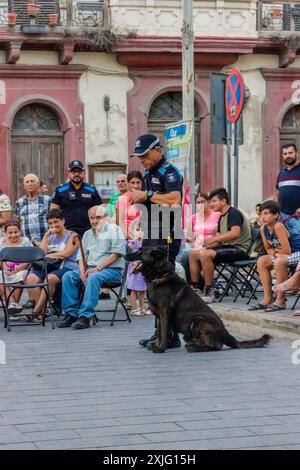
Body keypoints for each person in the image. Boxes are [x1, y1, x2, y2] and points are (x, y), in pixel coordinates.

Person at [129, 134, 183, 348]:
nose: (141, 160)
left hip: (168, 232)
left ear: (158, 150)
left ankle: (170, 335)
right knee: (153, 283)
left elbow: (175, 199)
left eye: (145, 155)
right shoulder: (148, 172)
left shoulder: (170, 171)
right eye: (138, 156)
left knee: (165, 286)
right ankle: (160, 331)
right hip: (152, 231)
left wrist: (147, 196)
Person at [58, 205, 126, 330]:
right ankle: (71, 314)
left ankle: (85, 316)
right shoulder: (87, 234)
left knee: (93, 277)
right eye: (92, 218)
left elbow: (117, 254)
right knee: (68, 276)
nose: (95, 221)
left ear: (105, 217)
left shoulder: (115, 230)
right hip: (90, 268)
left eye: (98, 218)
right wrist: (82, 272)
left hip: (111, 270)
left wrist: (98, 268)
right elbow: (81, 257)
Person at [189, 187, 251, 303]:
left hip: (240, 249)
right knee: (193, 254)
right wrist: (208, 244)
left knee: (205, 255)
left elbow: (235, 233)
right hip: (228, 247)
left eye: (214, 201)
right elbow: (220, 238)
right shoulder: (221, 216)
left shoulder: (233, 213)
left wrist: (213, 240)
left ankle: (209, 290)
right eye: (210, 201)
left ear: (223, 201)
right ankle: (196, 288)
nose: (211, 204)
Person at [24, 209, 79, 322]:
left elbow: (66, 254)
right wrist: (45, 236)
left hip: (67, 266)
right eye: (50, 223)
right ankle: (44, 312)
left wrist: (50, 255)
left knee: (50, 278)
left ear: (63, 221)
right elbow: (42, 254)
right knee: (30, 278)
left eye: (56, 222)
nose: (53, 225)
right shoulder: (51, 236)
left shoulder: (73, 236)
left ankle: (37, 311)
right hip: (50, 266)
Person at [249, 201, 292, 312]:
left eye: (266, 213)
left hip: (296, 252)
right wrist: (275, 253)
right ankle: (268, 298)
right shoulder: (263, 229)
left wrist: (276, 253)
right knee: (261, 261)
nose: (263, 217)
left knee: (279, 262)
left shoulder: (278, 226)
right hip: (280, 254)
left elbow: (287, 250)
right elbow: (268, 248)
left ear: (275, 215)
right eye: (261, 214)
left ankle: (281, 299)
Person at [51, 160, 102, 237]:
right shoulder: (60, 190)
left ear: (84, 173)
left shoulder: (92, 190)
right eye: (73, 172)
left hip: (89, 231)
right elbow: (53, 211)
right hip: (66, 231)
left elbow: (100, 210)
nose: (76, 174)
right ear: (69, 173)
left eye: (79, 172)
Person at [181, 191, 220, 286]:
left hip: (214, 245)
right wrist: (189, 239)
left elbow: (220, 233)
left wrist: (212, 243)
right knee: (186, 256)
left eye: (203, 201)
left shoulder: (217, 215)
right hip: (197, 246)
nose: (200, 204)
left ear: (208, 202)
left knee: (196, 254)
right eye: (198, 202)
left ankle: (205, 285)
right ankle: (195, 285)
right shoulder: (193, 218)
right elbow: (189, 237)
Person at [0, 220, 32, 315]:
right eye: (10, 233)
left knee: (20, 276)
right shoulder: (1, 242)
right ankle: (13, 304)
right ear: (5, 233)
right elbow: (1, 259)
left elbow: (30, 258)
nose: (13, 235)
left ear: (20, 231)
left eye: (16, 232)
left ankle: (14, 306)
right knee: (0, 277)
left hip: (22, 268)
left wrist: (18, 269)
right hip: (6, 268)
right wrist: (5, 269)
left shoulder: (25, 241)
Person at [274, 143, 300, 254]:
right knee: (287, 247)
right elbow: (276, 194)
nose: (287, 156)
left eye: (290, 153)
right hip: (283, 216)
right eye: (285, 154)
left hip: (297, 216)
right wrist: (276, 211)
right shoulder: (281, 174)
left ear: (296, 153)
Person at [15, 174, 51, 242]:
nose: (30, 184)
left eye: (32, 181)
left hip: (45, 240)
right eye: (27, 182)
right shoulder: (19, 202)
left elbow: (53, 220)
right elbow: (18, 222)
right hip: (26, 242)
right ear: (24, 186)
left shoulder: (48, 200)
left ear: (38, 184)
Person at [126, 219, 149, 316]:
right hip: (134, 269)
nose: (140, 232)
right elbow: (127, 253)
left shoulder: (145, 243)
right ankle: (134, 309)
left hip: (142, 269)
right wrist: (132, 262)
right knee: (134, 290)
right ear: (132, 231)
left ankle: (143, 308)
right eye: (137, 229)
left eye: (142, 230)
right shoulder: (133, 242)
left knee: (142, 290)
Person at [116, 171, 143, 238]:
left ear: (142, 183)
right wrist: (129, 237)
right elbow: (119, 221)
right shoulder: (122, 199)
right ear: (128, 183)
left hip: (144, 236)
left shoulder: (146, 198)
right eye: (132, 183)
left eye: (138, 182)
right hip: (128, 237)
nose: (135, 186)